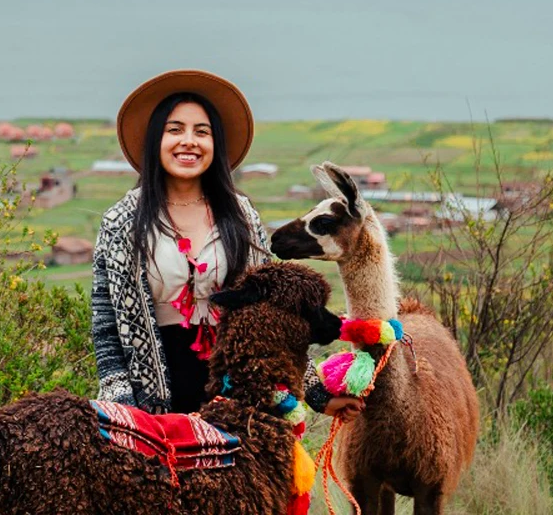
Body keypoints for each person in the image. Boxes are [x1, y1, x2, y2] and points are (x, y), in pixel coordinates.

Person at [92, 69, 363, 419]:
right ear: (154, 141)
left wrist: (315, 392)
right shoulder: (122, 223)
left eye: (201, 132)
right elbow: (107, 328)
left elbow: (275, 312)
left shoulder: (242, 217)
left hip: (238, 399)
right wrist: (125, 409)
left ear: (214, 144)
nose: (188, 141)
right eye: (174, 130)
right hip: (150, 407)